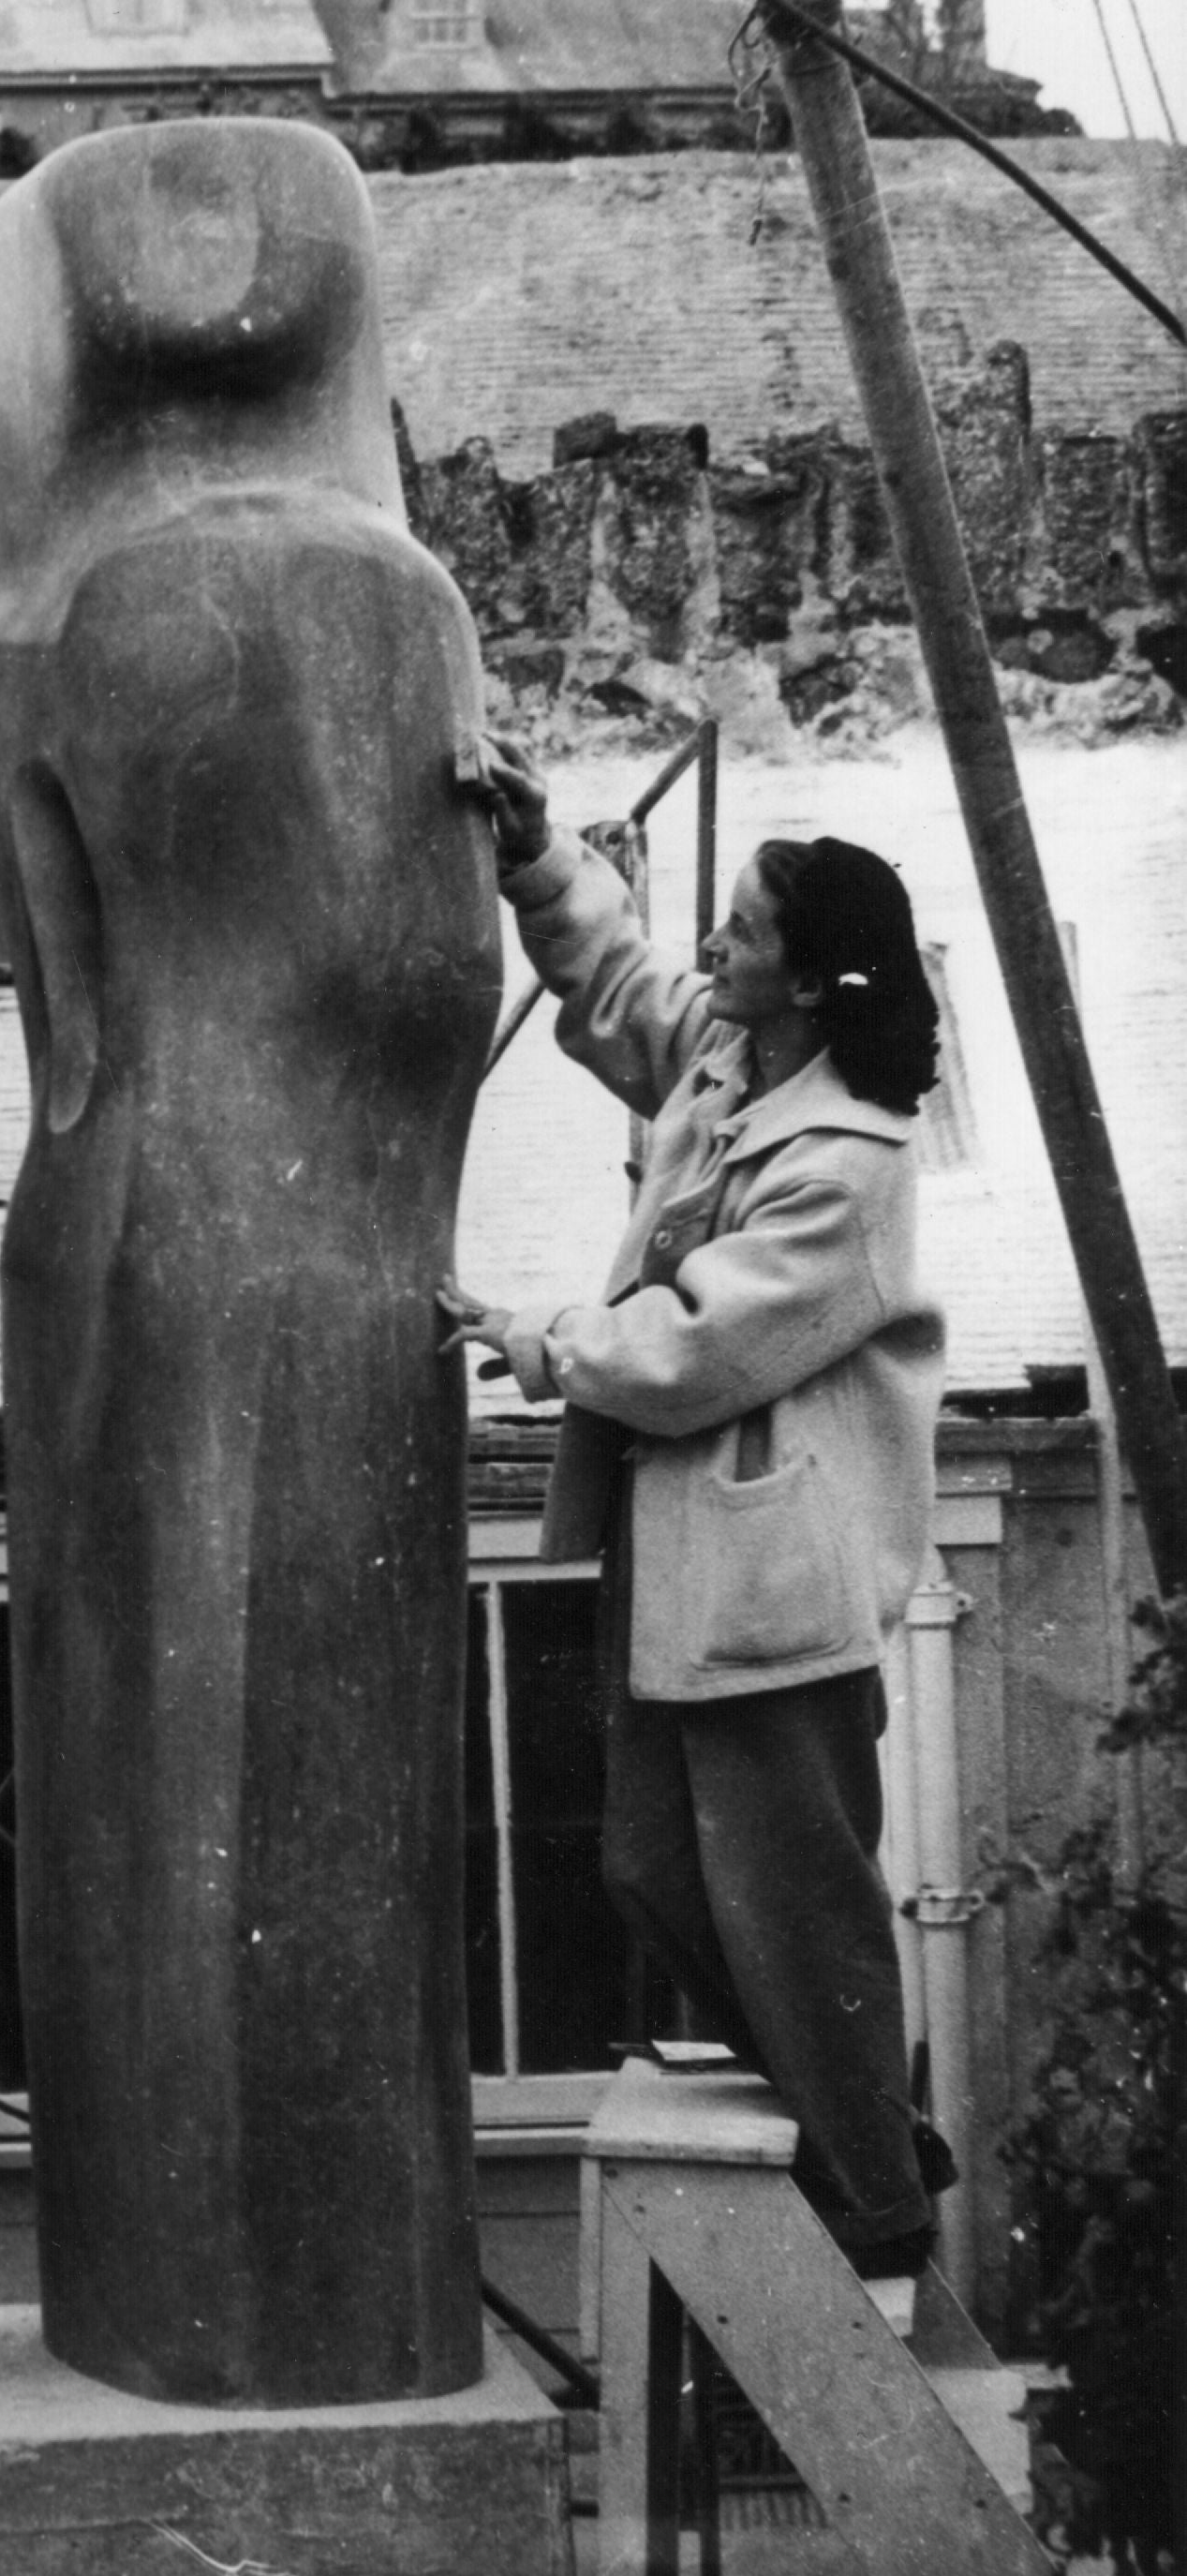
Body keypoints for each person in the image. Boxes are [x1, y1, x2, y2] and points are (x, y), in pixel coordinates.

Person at [438, 738, 951, 2279]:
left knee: (800, 1909)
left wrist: (521, 1333)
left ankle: (876, 2201)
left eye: (741, 929)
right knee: (651, 1869)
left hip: (774, 1586)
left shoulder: (848, 1169)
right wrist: (538, 857)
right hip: (689, 1566)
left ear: (808, 985)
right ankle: (874, 2133)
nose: (712, 944)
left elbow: (685, 1353)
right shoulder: (736, 1065)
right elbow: (622, 985)